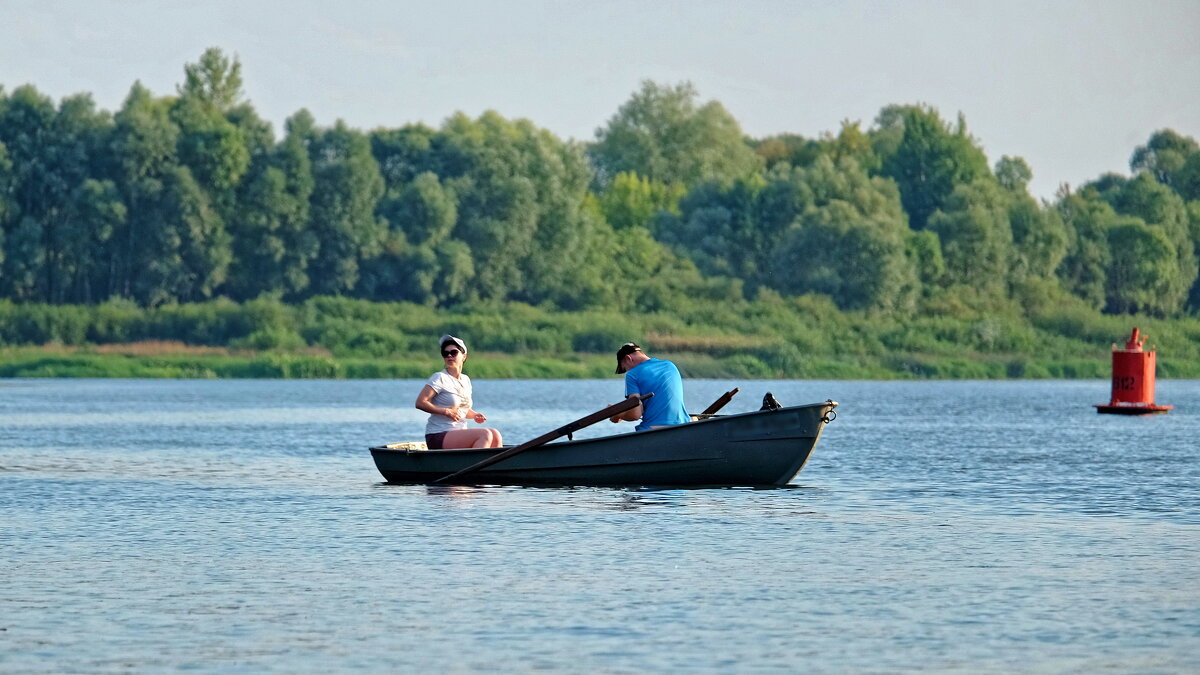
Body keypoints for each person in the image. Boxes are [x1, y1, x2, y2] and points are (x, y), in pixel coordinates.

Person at [414, 334, 503, 449]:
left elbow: (462, 410)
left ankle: (493, 467)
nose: (449, 356)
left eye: (454, 352)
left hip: (458, 433)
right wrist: (446, 412)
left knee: (495, 434)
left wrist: (475, 415)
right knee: (485, 434)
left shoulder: (465, 380)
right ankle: (476, 465)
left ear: (464, 357)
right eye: (445, 353)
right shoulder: (439, 377)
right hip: (438, 434)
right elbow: (420, 402)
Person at [609, 342, 691, 431]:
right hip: (683, 425)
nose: (627, 371)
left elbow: (635, 414)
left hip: (653, 429)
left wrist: (616, 413)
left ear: (628, 358)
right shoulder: (670, 365)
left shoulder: (632, 374)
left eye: (625, 368)